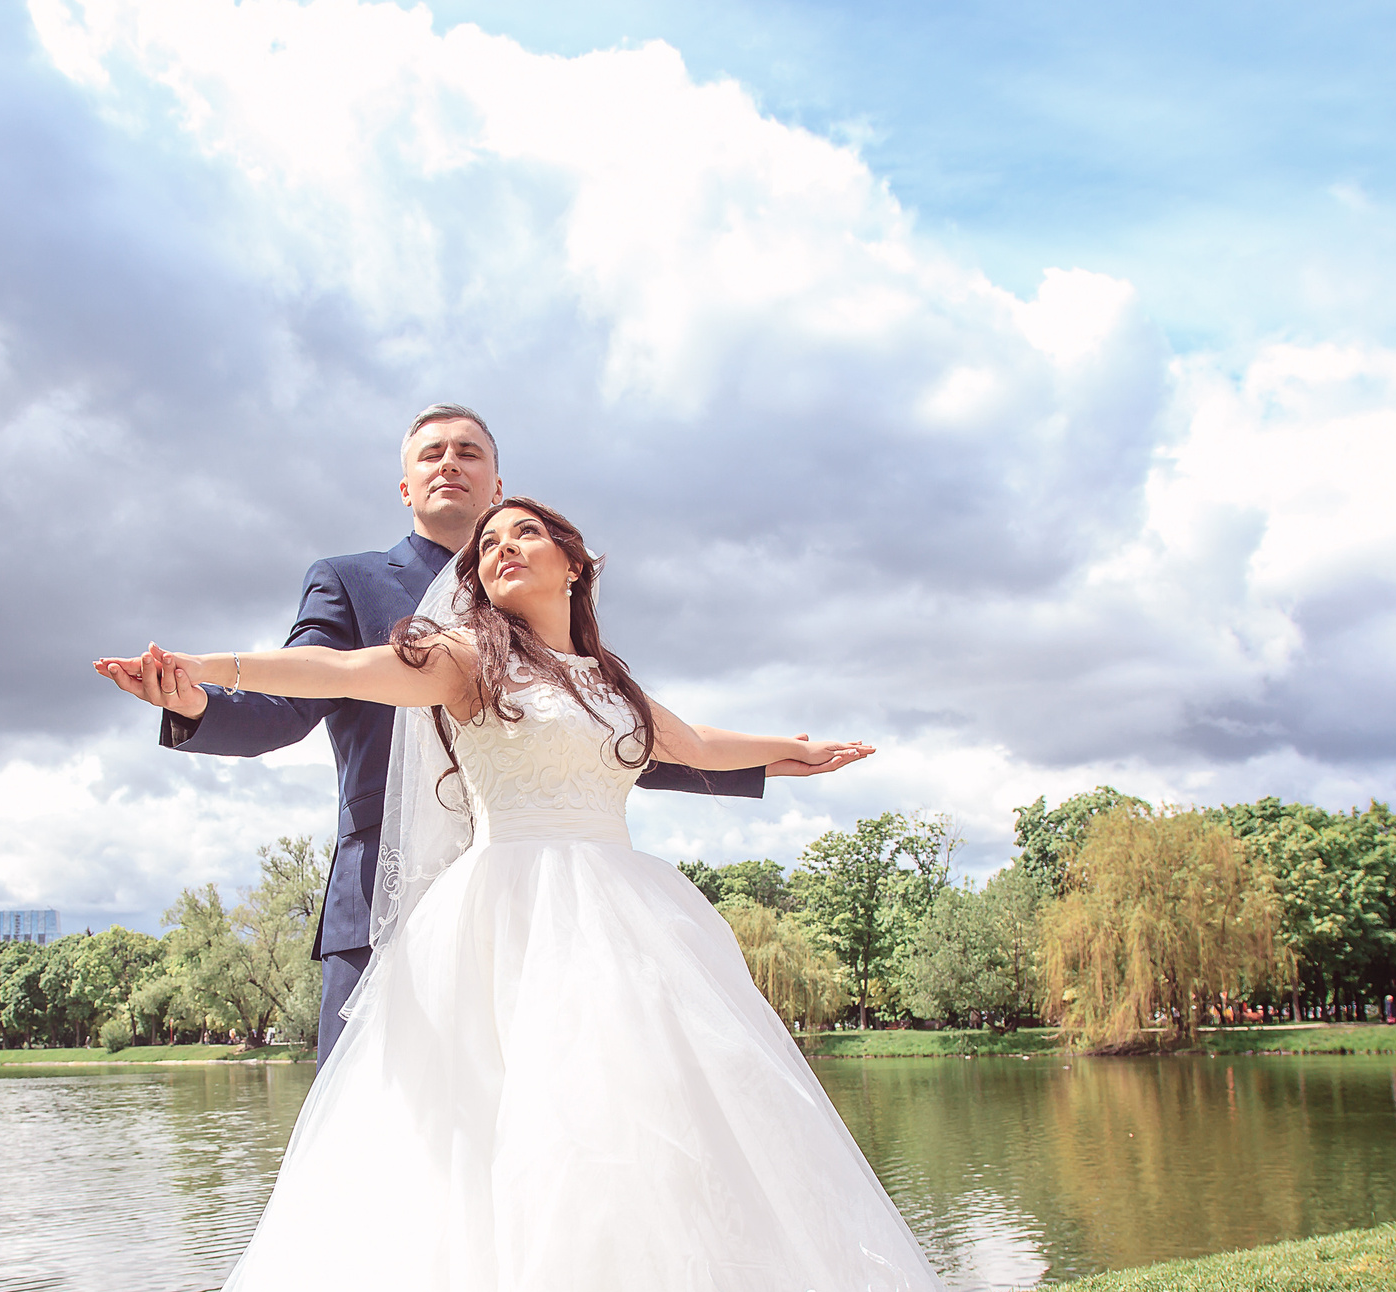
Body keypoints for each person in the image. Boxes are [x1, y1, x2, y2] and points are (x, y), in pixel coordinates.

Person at [88, 497, 1067, 1292]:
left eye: (521, 534)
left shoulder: (608, 678)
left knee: (662, 1172)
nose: (499, 549)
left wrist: (789, 753)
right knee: (494, 1177)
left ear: (572, 558)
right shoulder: (457, 659)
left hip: (630, 929)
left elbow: (688, 747)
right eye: (486, 542)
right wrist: (196, 670)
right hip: (506, 931)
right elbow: (341, 676)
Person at [98, 404, 862, 1058]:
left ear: (500, 484)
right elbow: (312, 686)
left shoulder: (554, 617)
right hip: (388, 899)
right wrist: (194, 693)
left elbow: (604, 742)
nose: (449, 464)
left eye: (470, 452)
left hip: (571, 907)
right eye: (431, 454)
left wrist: (779, 757)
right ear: (405, 486)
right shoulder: (352, 582)